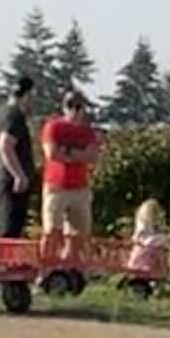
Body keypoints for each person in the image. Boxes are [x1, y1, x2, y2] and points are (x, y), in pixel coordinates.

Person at [38, 84, 99, 254]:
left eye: (79, 107)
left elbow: (92, 156)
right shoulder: (54, 127)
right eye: (71, 106)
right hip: (56, 186)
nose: (76, 111)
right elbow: (51, 153)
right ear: (64, 107)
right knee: (51, 231)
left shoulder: (87, 132)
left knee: (78, 234)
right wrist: (78, 155)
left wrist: (67, 152)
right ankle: (46, 263)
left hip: (80, 187)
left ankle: (69, 264)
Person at [0, 75, 39, 240]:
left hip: (1, 178)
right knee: (9, 231)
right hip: (10, 181)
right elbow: (5, 144)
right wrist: (19, 175)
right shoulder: (14, 115)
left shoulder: (0, 112)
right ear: (27, 95)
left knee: (8, 228)